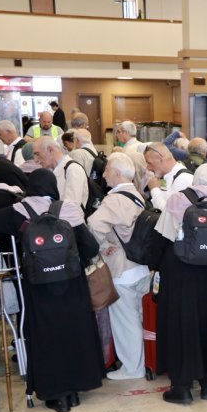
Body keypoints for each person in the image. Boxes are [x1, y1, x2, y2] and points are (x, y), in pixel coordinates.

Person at [0, 169, 103, 412]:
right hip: (72, 285)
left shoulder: (18, 212)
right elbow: (91, 247)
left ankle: (57, 395)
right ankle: (75, 389)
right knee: (74, 333)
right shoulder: (69, 210)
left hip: (38, 287)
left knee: (47, 338)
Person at [148, 164, 207, 404]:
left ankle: (181, 386)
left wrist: (154, 265)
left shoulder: (178, 199)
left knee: (181, 323)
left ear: (194, 180)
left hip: (181, 271)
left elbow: (163, 235)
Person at [87, 153, 151, 380]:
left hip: (121, 268)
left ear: (116, 172)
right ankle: (144, 363)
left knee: (126, 321)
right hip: (141, 266)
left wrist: (104, 246)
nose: (103, 174)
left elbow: (93, 225)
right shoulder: (136, 195)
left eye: (106, 170)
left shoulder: (114, 199)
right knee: (140, 318)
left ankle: (133, 368)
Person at [33, 136, 89, 214]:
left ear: (50, 150)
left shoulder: (73, 169)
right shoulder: (50, 171)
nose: (35, 160)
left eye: (37, 154)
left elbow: (71, 207)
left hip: (69, 224)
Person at [143, 142, 193, 211]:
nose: (148, 168)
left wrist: (154, 189)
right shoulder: (165, 177)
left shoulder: (183, 178)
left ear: (161, 159)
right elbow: (164, 197)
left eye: (149, 163)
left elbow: (168, 213)